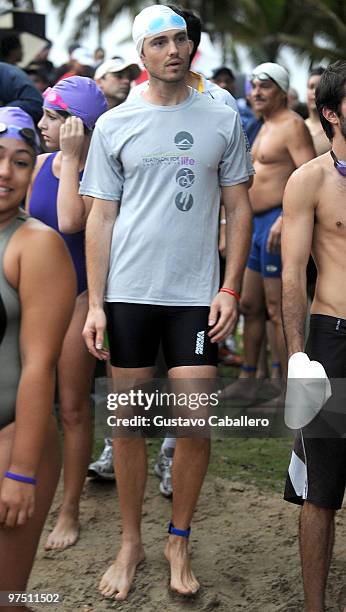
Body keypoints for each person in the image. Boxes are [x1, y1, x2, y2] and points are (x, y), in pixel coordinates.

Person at [80, 3, 252, 600]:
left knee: (194, 421)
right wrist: (97, 304)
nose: (173, 50)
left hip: (193, 296)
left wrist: (230, 285)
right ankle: (130, 542)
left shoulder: (223, 117)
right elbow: (100, 217)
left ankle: (178, 538)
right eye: (160, 43)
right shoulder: (114, 124)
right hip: (127, 293)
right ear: (142, 56)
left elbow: (240, 207)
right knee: (126, 424)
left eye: (180, 39)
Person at [27, 76, 107, 551]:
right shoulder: (35, 164)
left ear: (79, 125)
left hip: (79, 297)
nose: (42, 124)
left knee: (74, 409)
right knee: (27, 403)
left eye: (53, 117)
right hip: (35, 301)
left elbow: (70, 222)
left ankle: (70, 508)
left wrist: (73, 160)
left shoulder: (100, 171)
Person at [0, 107, 75, 608]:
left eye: (22, 162)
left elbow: (38, 367)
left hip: (12, 437)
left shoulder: (37, 245)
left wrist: (21, 472)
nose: (6, 171)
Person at [282, 60, 346, 612]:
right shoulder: (311, 180)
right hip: (333, 342)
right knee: (320, 489)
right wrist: (297, 359)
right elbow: (292, 278)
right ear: (331, 112)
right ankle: (314, 607)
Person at [229, 62, 315, 399]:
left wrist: (287, 216)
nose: (256, 93)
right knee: (250, 304)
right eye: (253, 87)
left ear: (281, 91)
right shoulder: (261, 125)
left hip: (279, 223)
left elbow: (309, 174)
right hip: (254, 223)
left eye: (264, 87)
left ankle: (283, 387)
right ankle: (250, 378)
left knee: (279, 310)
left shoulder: (292, 125)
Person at [305, 67, 330, 156]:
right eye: (311, 87)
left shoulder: (337, 127)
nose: (314, 92)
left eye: (319, 87)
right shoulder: (299, 126)